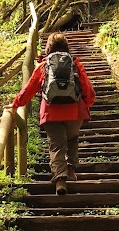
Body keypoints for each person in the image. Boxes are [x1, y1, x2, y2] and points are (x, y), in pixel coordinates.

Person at [9, 32, 96, 194]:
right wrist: (86, 105)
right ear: (66, 47)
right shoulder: (75, 64)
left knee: (56, 145)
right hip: (74, 111)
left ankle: (60, 180)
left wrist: (16, 103)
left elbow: (29, 89)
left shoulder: (44, 66)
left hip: (51, 112)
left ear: (48, 47)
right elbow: (88, 89)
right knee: (72, 139)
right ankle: (70, 169)